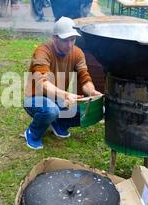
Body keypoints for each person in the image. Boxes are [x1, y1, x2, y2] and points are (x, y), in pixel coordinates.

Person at [23, 17, 102, 150]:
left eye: (73, 40)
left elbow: (84, 78)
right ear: (55, 38)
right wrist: (65, 95)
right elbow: (43, 83)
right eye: (65, 40)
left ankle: (59, 124)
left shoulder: (77, 53)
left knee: (98, 110)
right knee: (51, 110)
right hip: (34, 98)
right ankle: (32, 133)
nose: (70, 45)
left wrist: (92, 92)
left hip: (58, 98)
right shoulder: (42, 51)